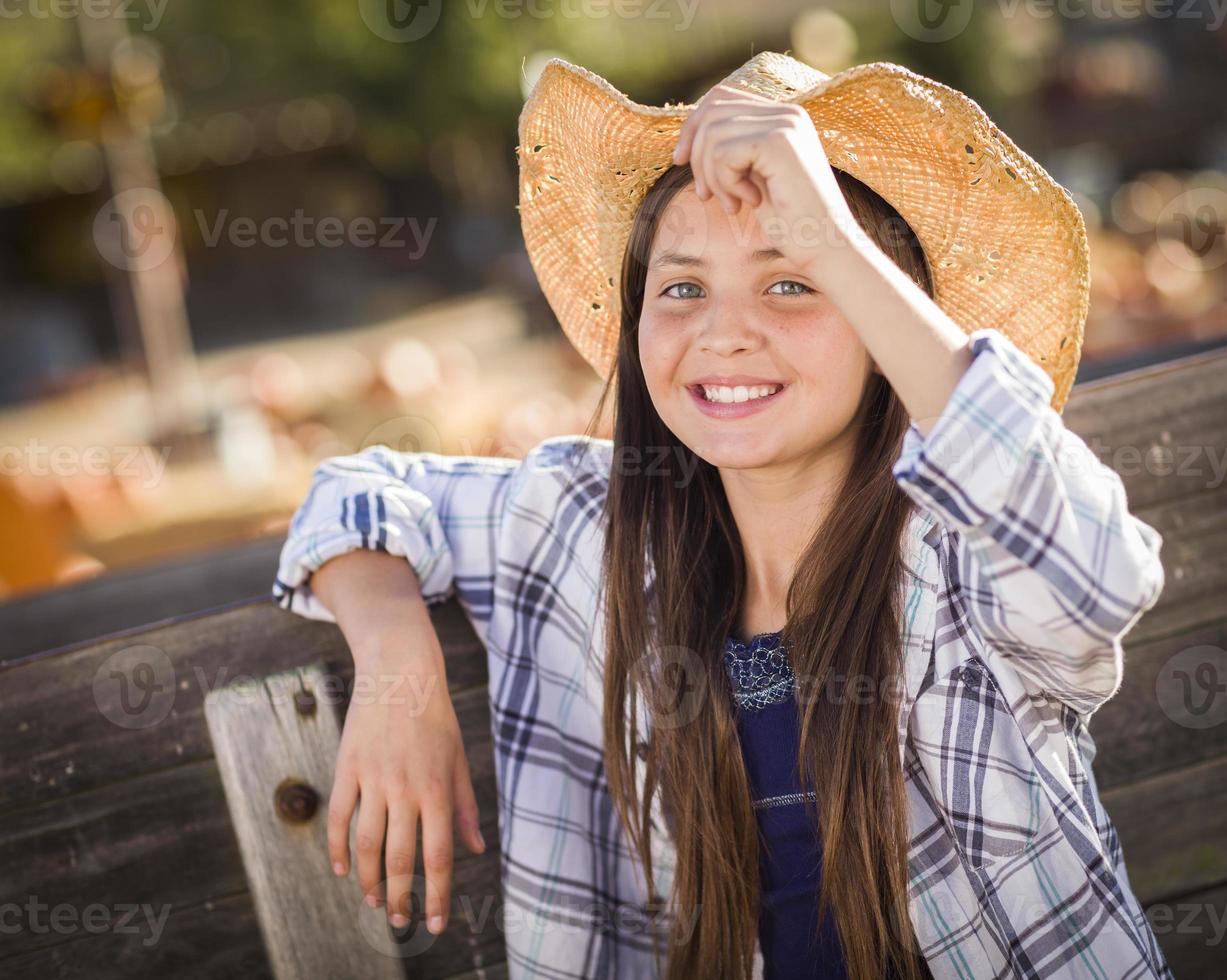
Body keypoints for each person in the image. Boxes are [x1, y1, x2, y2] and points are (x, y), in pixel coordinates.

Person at [272, 53, 1174, 980]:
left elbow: (1101, 569)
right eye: (682, 287)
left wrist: (826, 231)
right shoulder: (592, 532)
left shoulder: (957, 560)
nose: (723, 331)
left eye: (791, 281)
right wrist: (394, 664)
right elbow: (358, 490)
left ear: (880, 316)